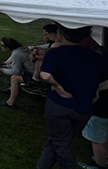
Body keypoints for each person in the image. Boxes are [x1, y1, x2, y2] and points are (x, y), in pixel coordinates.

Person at [36, 25, 108, 169]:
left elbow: (45, 75)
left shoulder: (56, 53)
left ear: (60, 36)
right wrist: (98, 90)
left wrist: (56, 86)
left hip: (59, 106)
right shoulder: (94, 56)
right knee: (58, 140)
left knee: (61, 144)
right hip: (83, 109)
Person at [0, 37, 35, 108]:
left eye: (2, 45)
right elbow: (16, 65)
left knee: (14, 78)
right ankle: (12, 89)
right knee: (15, 76)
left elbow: (16, 71)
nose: (0, 47)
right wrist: (4, 66)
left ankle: (10, 103)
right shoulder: (21, 49)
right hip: (33, 71)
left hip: (34, 76)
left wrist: (0, 69)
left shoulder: (16, 54)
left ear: (8, 47)